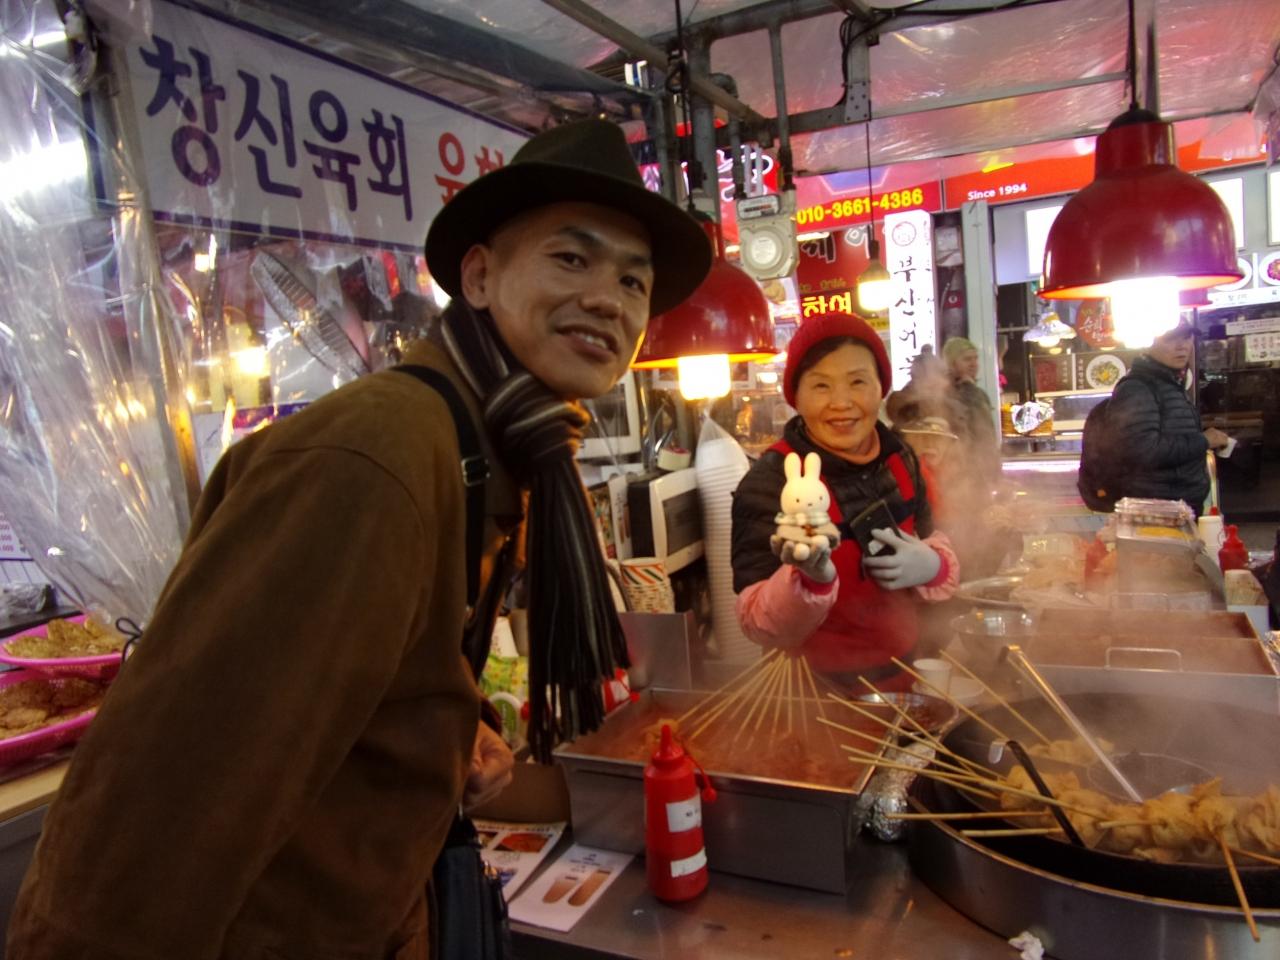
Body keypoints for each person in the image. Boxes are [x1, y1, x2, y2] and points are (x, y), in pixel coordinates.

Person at [7, 120, 711, 959]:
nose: (608, 299)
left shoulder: (494, 454)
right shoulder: (376, 456)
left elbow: (355, 685)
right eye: (571, 258)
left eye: (633, 280)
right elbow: (160, 804)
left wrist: (445, 732)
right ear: (479, 276)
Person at [731, 312, 959, 692]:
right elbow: (755, 621)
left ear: (880, 388)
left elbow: (934, 536)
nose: (841, 402)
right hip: (812, 700)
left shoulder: (901, 457)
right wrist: (809, 581)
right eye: (821, 385)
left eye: (857, 381)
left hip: (908, 685)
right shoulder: (769, 483)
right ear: (796, 397)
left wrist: (933, 565)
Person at [1093, 319, 1230, 512]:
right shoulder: (1137, 388)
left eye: (1187, 337)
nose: (1182, 346)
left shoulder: (1171, 383)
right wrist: (1203, 441)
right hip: (1155, 510)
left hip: (1178, 507)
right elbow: (1141, 450)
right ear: (1148, 342)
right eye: (1170, 339)